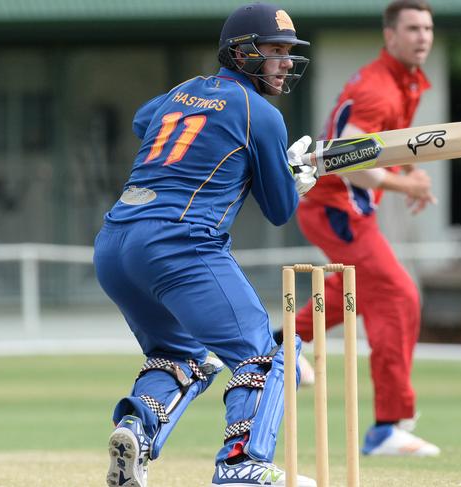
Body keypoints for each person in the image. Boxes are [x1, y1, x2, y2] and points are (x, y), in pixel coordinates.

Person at [93, 4, 319, 486]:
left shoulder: (181, 92)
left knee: (181, 357)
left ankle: (136, 427)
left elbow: (142, 121)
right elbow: (280, 211)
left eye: (287, 53)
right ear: (240, 53)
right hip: (179, 243)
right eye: (273, 51)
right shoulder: (263, 114)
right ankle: (243, 464)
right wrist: (292, 174)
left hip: (115, 244)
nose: (283, 62)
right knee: (270, 355)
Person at [277, 0, 441, 457]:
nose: (422, 36)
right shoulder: (378, 88)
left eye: (427, 28)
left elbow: (378, 149)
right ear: (390, 36)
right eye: (412, 28)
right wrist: (403, 181)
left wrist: (407, 175)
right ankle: (388, 427)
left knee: (359, 289)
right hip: (336, 206)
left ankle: (280, 344)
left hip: (345, 207)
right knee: (396, 294)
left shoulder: (403, 81)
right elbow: (350, 157)